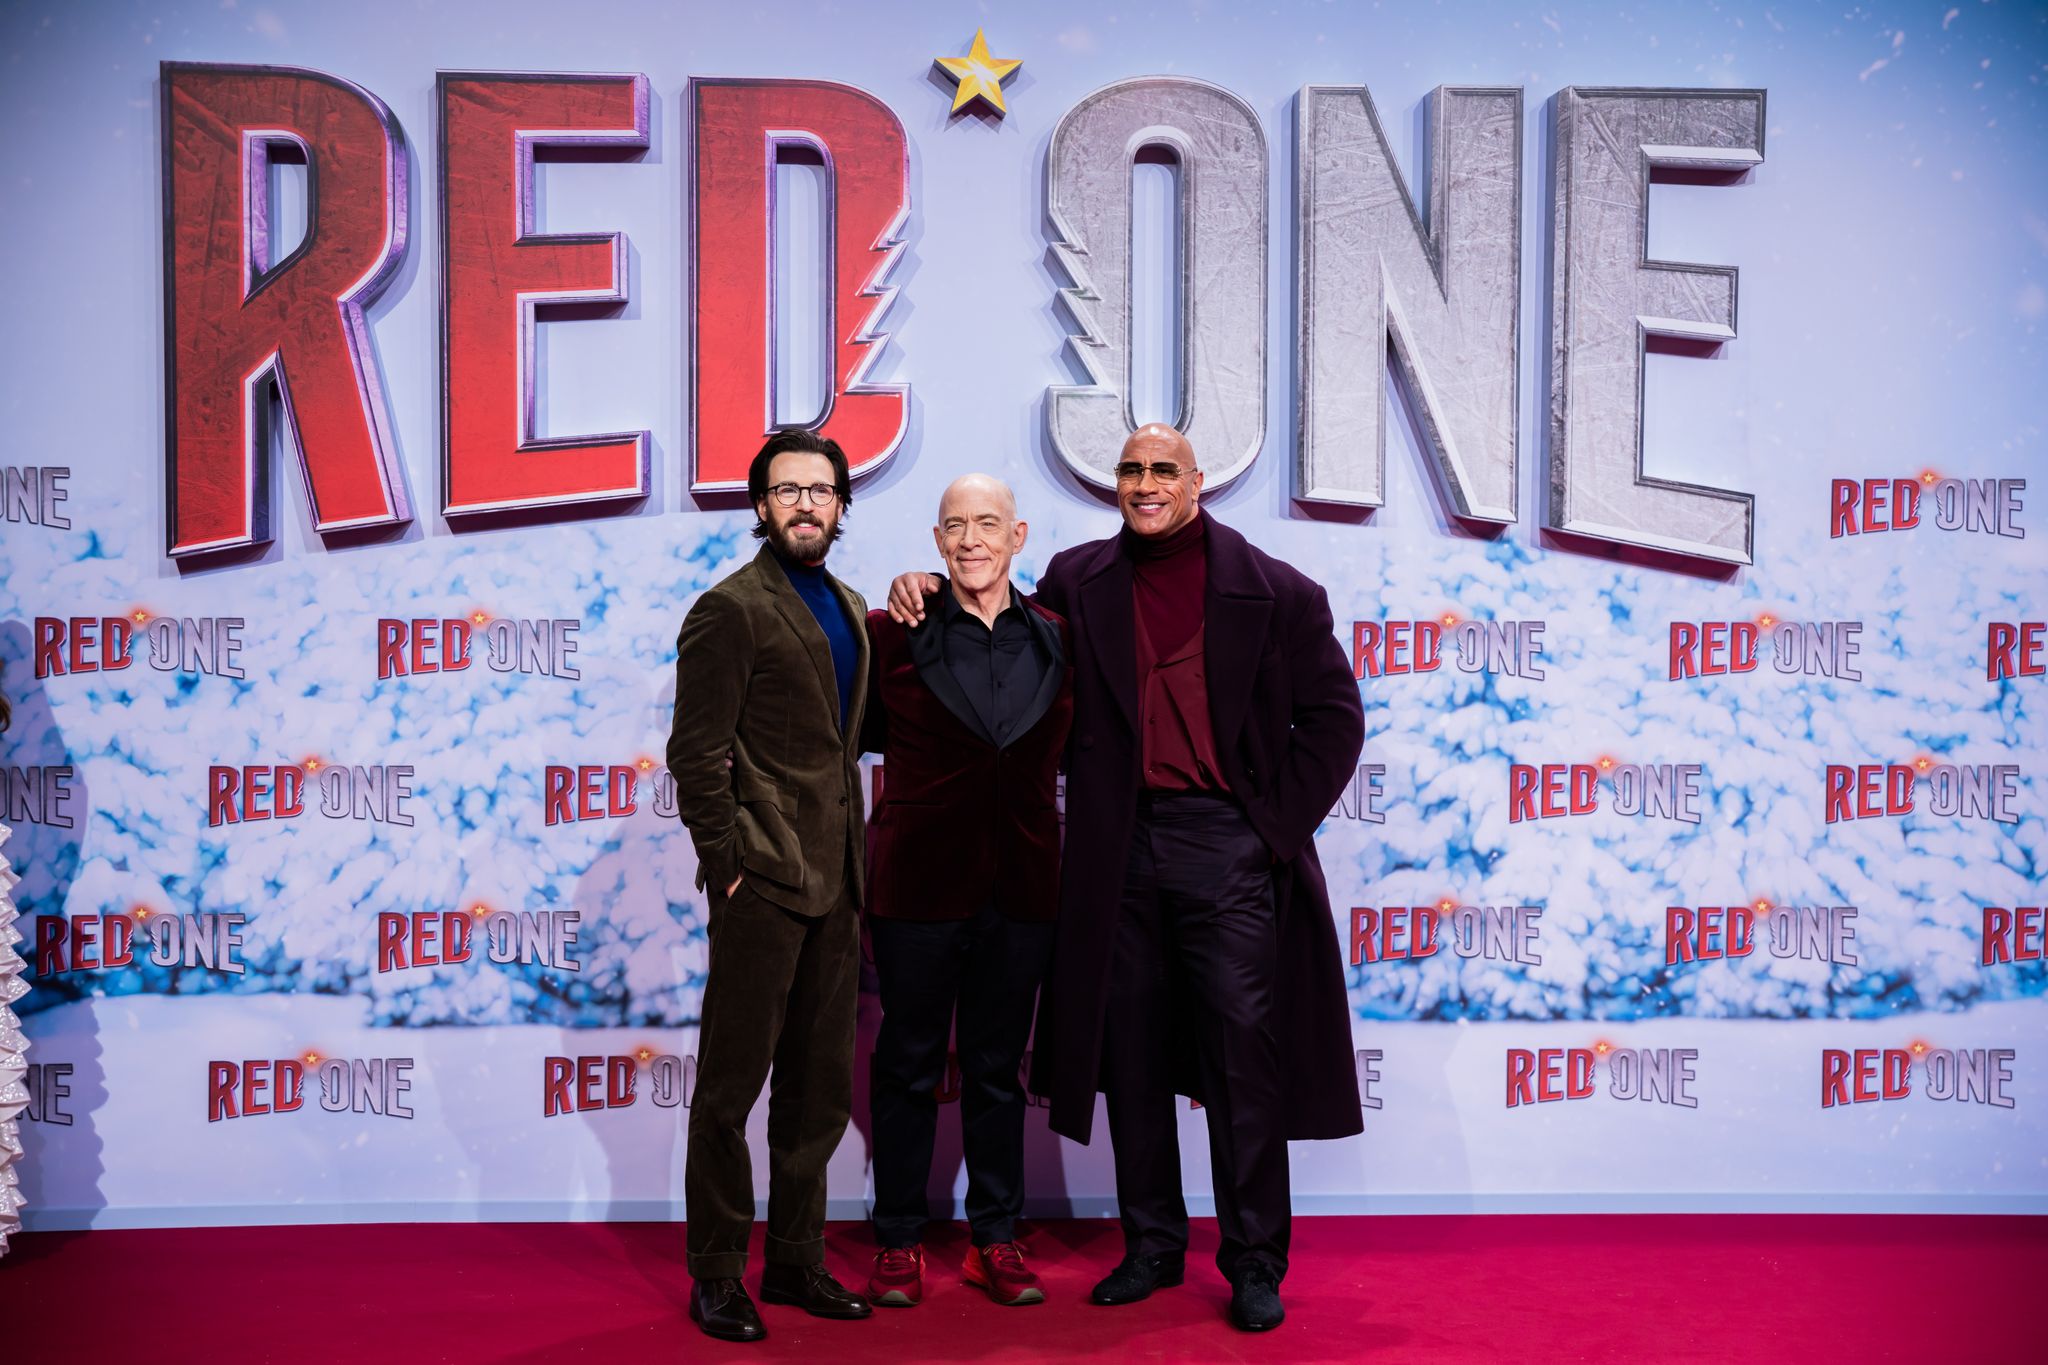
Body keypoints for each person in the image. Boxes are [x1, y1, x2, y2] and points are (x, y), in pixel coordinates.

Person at [888, 424, 1366, 1333]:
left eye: (1162, 470)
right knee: (1134, 1053)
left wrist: (1268, 829)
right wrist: (920, 585)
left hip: (1227, 846)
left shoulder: (1279, 591)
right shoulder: (1077, 579)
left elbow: (1336, 720)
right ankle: (1151, 1244)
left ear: (1195, 483)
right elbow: (999, 626)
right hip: (1117, 851)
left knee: (1242, 1061)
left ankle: (1254, 1258)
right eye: (1131, 469)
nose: (1144, 484)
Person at [670, 430, 874, 1343]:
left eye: (820, 491)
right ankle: (717, 1271)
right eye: (786, 490)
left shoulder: (853, 606)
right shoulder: (730, 609)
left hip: (840, 883)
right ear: (760, 506)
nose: (804, 505)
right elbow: (695, 753)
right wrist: (731, 868)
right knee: (727, 1092)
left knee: (818, 1091)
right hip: (763, 883)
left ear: (840, 505)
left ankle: (795, 1257)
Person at [858, 475, 1073, 1309]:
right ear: (937, 539)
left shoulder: (1058, 636)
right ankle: (899, 1239)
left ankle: (996, 1236)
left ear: (1018, 536)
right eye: (956, 525)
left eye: (988, 524)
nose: (971, 539)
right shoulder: (894, 632)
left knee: (994, 1071)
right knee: (908, 1064)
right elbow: (856, 737)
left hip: (1021, 886)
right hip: (915, 885)